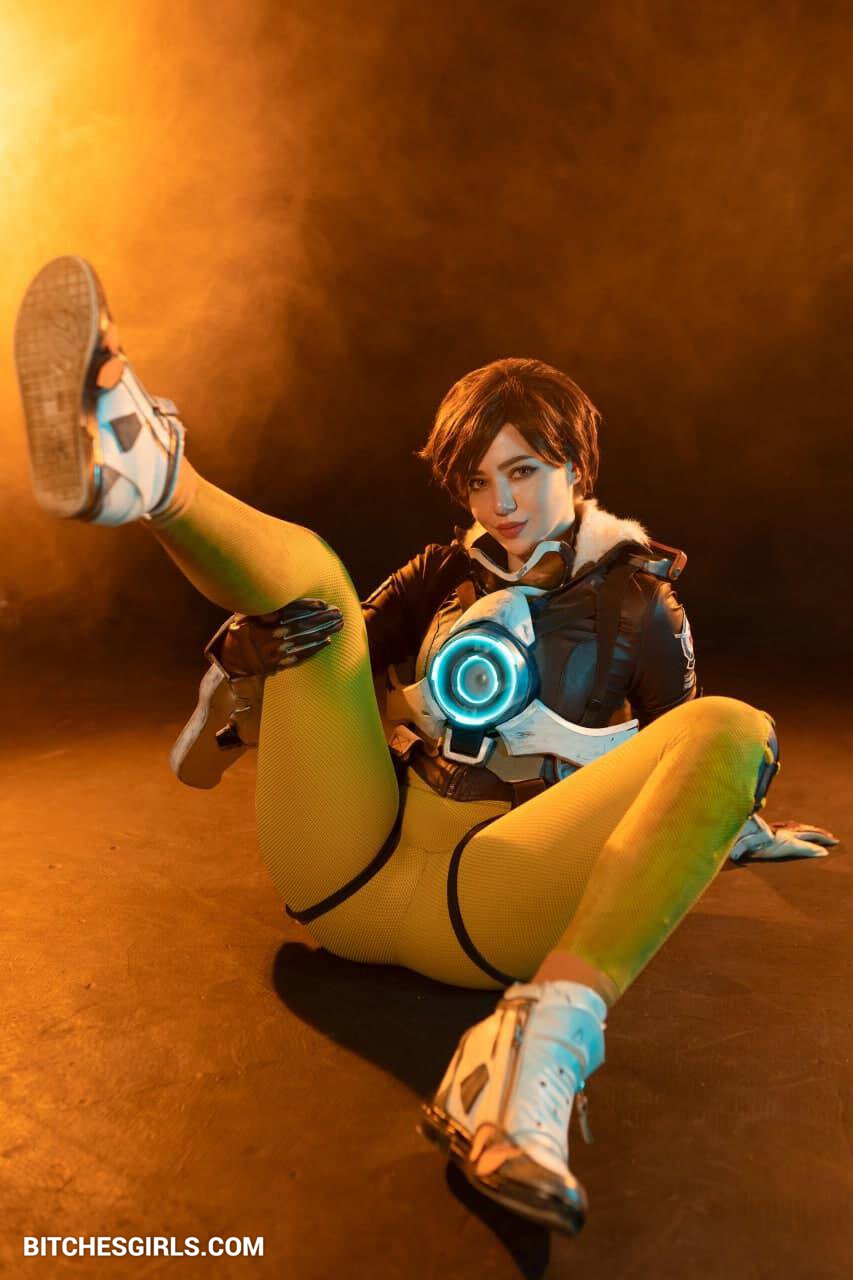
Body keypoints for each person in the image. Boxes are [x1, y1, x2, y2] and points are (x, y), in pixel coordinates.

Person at [13, 256, 836, 1236]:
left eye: (522, 471)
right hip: (352, 871)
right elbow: (306, 684)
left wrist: (732, 814)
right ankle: (148, 476)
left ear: (576, 468)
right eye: (478, 481)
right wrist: (249, 664)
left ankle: (531, 1051)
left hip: (494, 902)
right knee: (316, 592)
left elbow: (675, 747)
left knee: (735, 726)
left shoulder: (637, 602)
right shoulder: (443, 570)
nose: (500, 503)